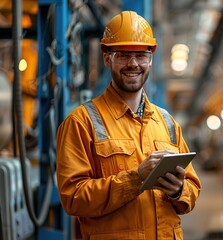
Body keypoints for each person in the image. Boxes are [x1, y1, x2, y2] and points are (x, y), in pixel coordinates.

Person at [56, 10, 201, 240]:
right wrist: (136, 178)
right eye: (123, 55)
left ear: (150, 59)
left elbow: (192, 188)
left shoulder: (167, 123)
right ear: (107, 58)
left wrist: (178, 190)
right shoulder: (81, 122)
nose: (133, 64)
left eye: (140, 55)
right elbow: (73, 198)